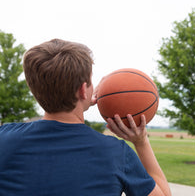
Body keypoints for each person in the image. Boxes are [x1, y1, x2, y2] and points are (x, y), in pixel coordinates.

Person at [0, 39, 171, 196]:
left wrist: (78, 100)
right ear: (83, 90)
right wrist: (141, 143)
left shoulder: (5, 138)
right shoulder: (116, 154)